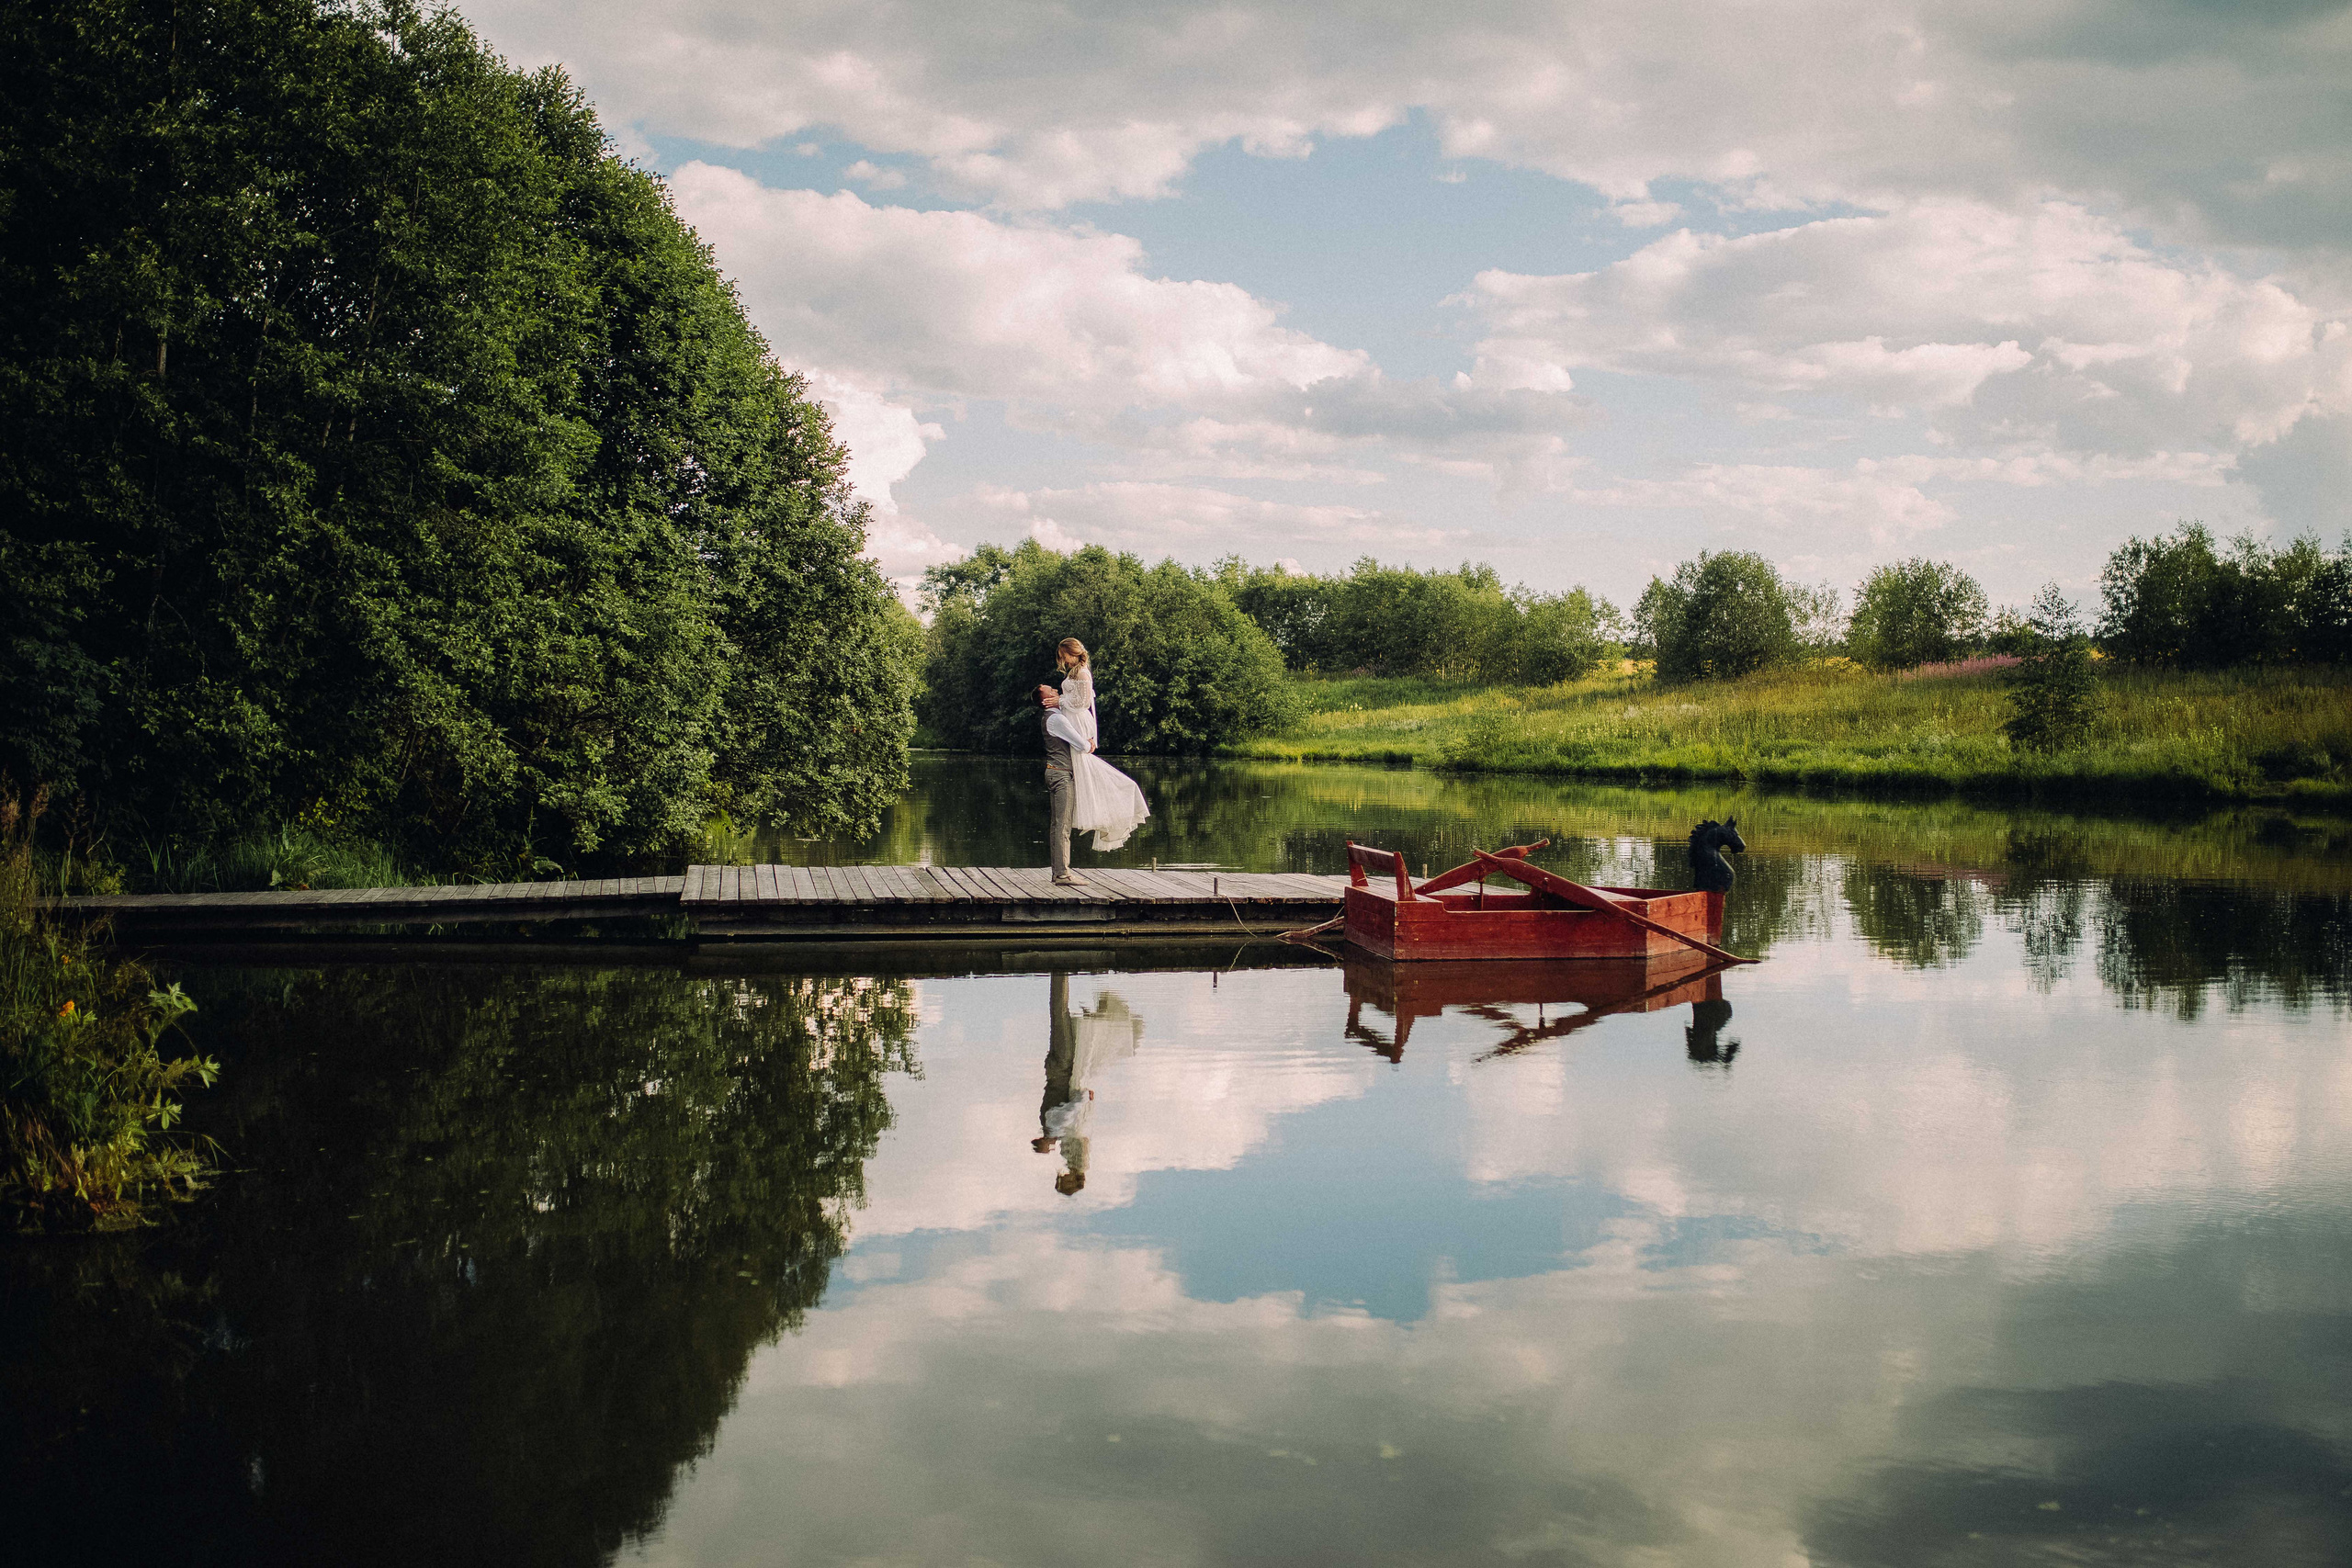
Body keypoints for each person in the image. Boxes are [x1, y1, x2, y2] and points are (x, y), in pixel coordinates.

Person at [1037, 637, 1148, 885]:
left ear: (1073, 652)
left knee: (1063, 822)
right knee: (1061, 825)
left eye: (1063, 655)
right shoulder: (1055, 717)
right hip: (1063, 762)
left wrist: (1064, 704)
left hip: (1073, 731)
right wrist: (1086, 742)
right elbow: (1077, 732)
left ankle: (1062, 872)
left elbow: (1086, 704)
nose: (1062, 660)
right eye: (1052, 692)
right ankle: (1062, 873)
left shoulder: (1081, 677)